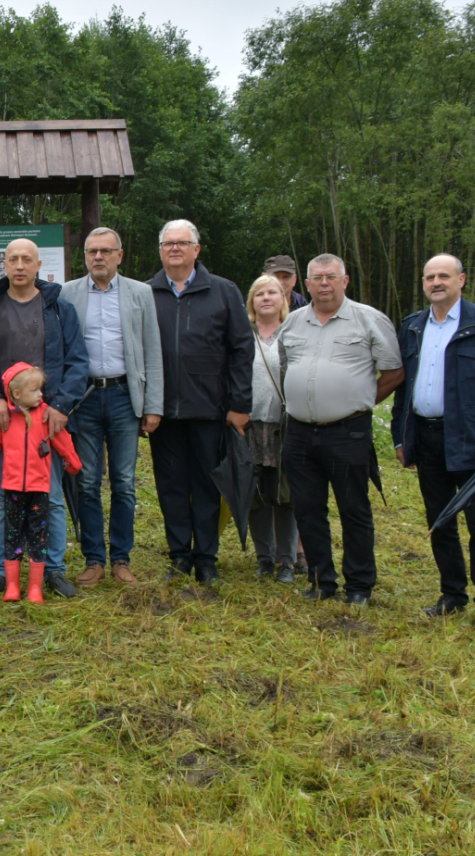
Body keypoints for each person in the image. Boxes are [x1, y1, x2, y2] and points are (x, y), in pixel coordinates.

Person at [393, 254, 475, 632]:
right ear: (422, 282)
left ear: (461, 280)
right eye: (429, 276)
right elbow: (404, 389)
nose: (436, 282)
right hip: (427, 436)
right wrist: (402, 436)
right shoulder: (413, 327)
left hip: (472, 440)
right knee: (440, 519)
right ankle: (452, 594)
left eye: (444, 276)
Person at [277, 253, 403, 605]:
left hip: (348, 432)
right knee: (308, 509)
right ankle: (321, 580)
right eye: (317, 278)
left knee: (354, 510)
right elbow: (287, 368)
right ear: (307, 284)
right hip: (300, 432)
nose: (324, 284)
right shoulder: (293, 323)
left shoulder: (369, 320)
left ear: (345, 281)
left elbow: (393, 373)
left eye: (331, 277)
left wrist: (358, 400)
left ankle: (360, 585)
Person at [0, 238, 89, 597]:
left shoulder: (59, 309)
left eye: (27, 260)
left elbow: (77, 362)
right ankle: (4, 570)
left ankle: (52, 568)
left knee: (49, 496)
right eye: (13, 259)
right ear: (4, 264)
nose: (19, 265)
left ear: (38, 265)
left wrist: (61, 406)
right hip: (1, 420)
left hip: (45, 421)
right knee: (3, 499)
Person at [146, 219, 254, 587]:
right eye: (168, 243)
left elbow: (242, 349)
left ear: (197, 249)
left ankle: (206, 557)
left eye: (182, 242)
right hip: (162, 413)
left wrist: (239, 404)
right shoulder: (146, 293)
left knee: (207, 486)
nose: (175, 248)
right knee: (171, 485)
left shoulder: (223, 291)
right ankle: (179, 555)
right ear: (159, 250)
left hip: (210, 410)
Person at [59, 227, 163, 587]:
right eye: (92, 252)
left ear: (120, 255)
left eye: (106, 251)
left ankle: (121, 559)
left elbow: (152, 349)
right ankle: (93, 559)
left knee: (123, 482)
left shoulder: (141, 293)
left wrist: (153, 405)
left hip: (123, 397)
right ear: (84, 257)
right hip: (84, 399)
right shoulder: (68, 293)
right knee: (86, 481)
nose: (98, 257)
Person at [0, 363, 81, 603]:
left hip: (39, 491)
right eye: (35, 390)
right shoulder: (4, 419)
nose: (41, 395)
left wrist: (74, 463)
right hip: (12, 491)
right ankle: (12, 585)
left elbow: (63, 442)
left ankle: (35, 587)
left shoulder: (46, 416)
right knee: (12, 537)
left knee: (39, 538)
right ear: (16, 394)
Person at [245, 275, 298, 584]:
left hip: (285, 426)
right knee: (257, 495)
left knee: (285, 495)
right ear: (251, 302)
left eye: (272, 292)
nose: (266, 298)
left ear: (283, 299)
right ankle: (264, 558)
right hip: (250, 425)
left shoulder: (294, 333)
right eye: (259, 293)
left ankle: (287, 561)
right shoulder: (243, 335)